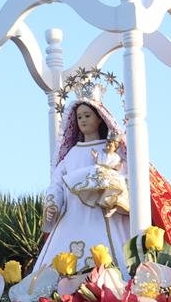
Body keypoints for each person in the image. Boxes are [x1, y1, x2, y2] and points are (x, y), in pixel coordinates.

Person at [34, 94, 131, 279]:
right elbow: (57, 182)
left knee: (113, 268)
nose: (83, 120)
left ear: (99, 119)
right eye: (79, 117)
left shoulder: (111, 150)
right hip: (73, 218)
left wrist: (112, 193)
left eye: (87, 115)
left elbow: (124, 176)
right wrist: (52, 204)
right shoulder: (71, 155)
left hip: (103, 215)